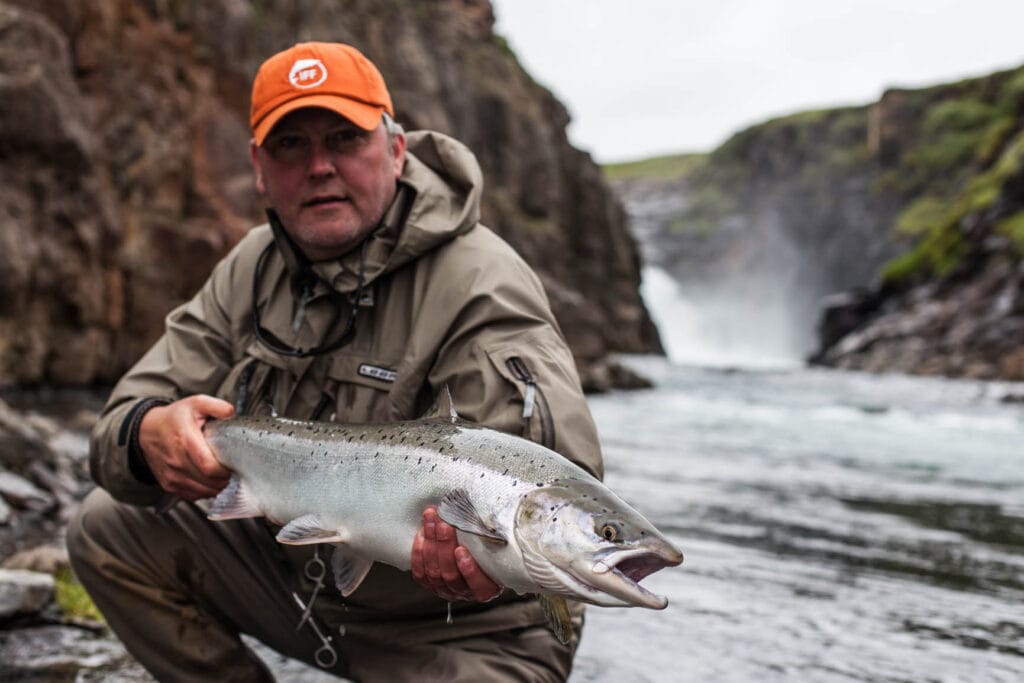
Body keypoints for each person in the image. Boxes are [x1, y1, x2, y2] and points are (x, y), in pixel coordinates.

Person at [67, 41, 603, 682]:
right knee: (106, 529)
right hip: (299, 591)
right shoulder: (252, 267)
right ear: (259, 168)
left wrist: (478, 563)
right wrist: (147, 435)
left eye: (344, 138)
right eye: (290, 145)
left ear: (397, 150)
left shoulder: (484, 284)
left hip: (463, 635)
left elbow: (557, 512)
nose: (319, 166)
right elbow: (114, 432)